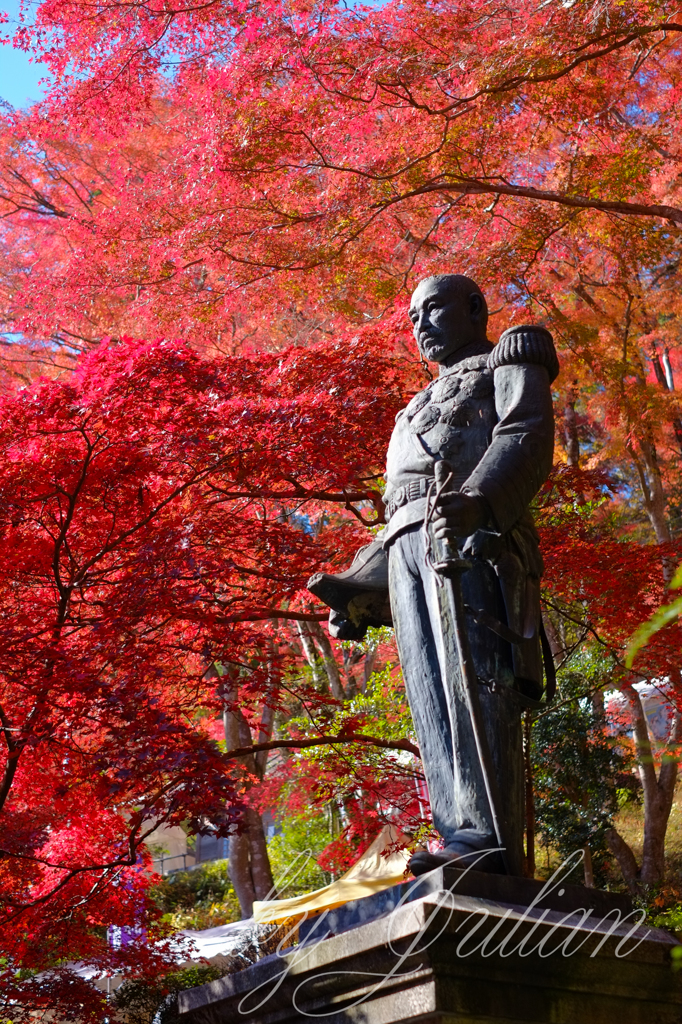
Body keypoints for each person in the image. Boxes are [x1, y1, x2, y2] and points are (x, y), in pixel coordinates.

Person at [308, 274, 558, 875]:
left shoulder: (508, 358)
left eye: (434, 309)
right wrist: (360, 586)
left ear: (474, 309)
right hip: (407, 549)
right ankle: (457, 830)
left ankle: (489, 840)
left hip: (473, 536)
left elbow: (525, 434)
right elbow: (399, 504)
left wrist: (479, 499)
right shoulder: (411, 407)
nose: (420, 325)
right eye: (413, 317)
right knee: (428, 693)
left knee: (473, 683)